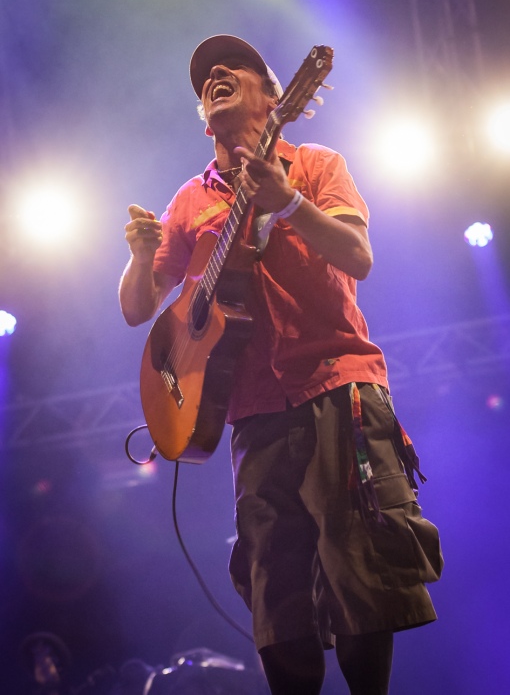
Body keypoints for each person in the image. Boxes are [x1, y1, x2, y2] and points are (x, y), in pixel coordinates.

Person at [119, 35, 443, 695]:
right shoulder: (188, 202)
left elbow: (358, 256)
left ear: (277, 96)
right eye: (204, 76)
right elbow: (139, 308)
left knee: (360, 567)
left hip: (336, 384)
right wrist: (138, 254)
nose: (213, 72)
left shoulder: (317, 162)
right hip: (252, 410)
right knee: (275, 588)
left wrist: (288, 203)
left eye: (231, 67)